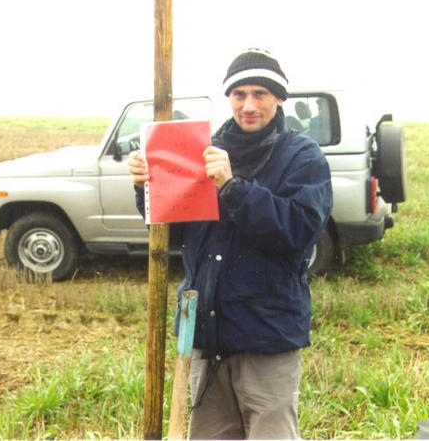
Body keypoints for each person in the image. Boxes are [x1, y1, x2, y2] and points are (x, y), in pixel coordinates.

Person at [128, 48, 333, 439]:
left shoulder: (303, 157)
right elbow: (175, 233)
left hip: (266, 337)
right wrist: (147, 189)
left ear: (279, 99)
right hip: (207, 336)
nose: (249, 105)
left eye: (260, 94)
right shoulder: (203, 149)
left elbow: (296, 232)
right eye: (240, 95)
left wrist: (232, 187)